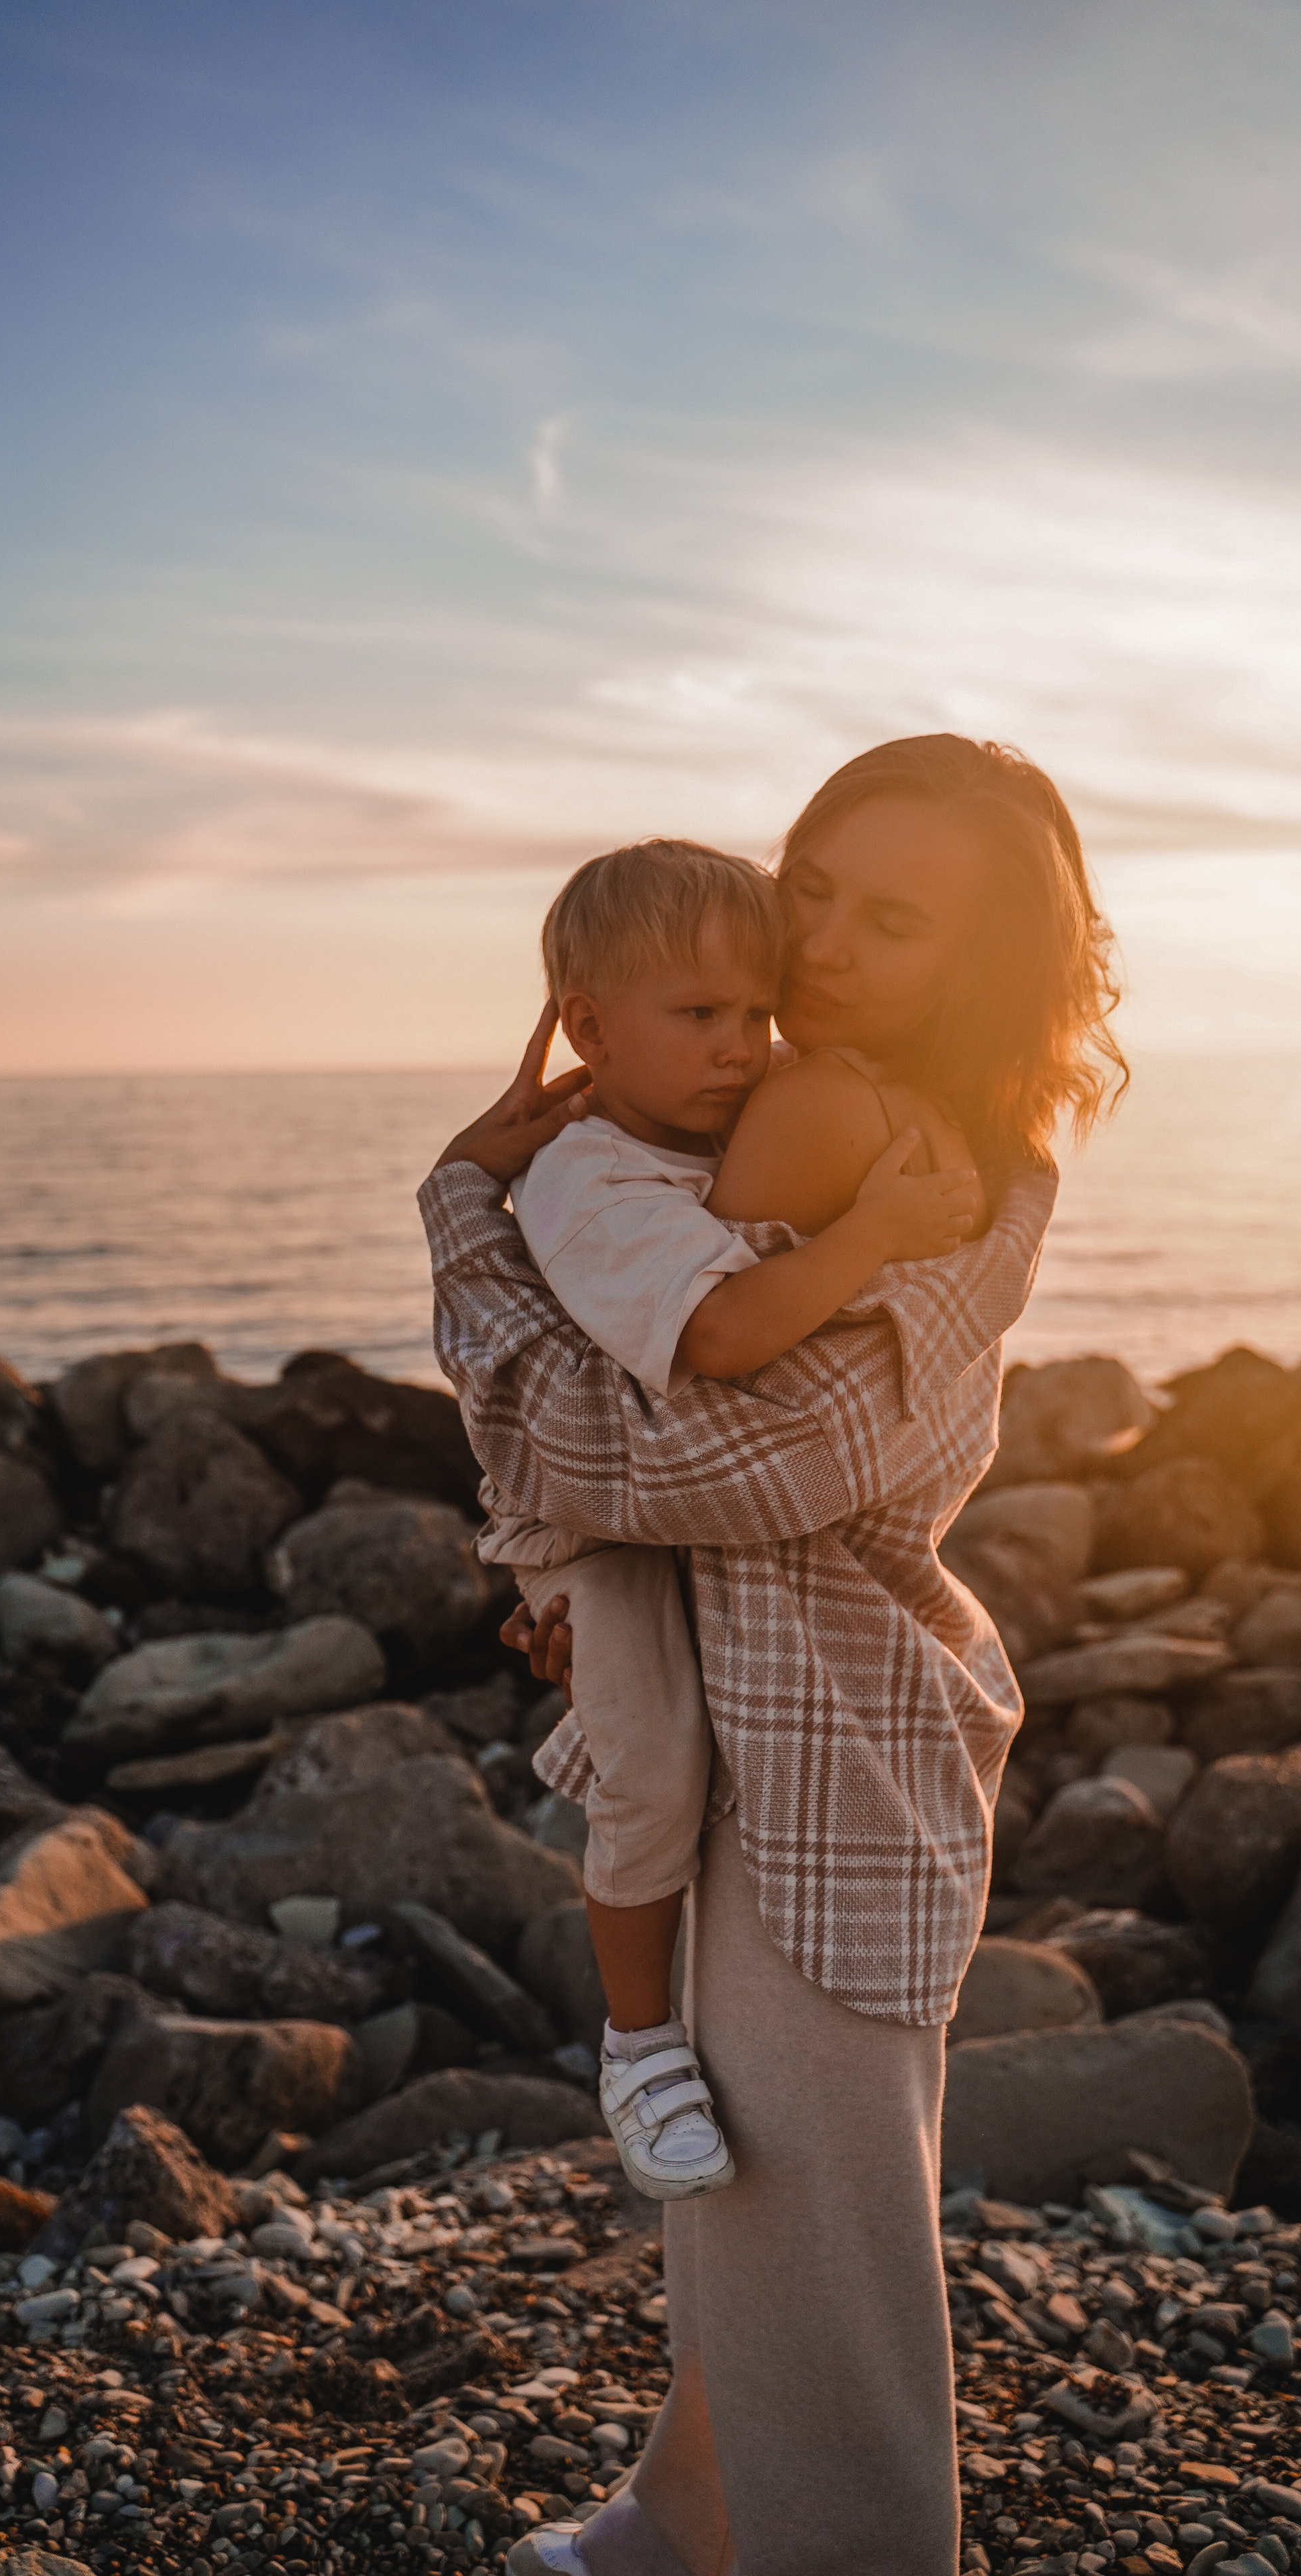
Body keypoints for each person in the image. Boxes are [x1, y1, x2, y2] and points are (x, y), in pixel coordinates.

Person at [421, 735, 1124, 2576]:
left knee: (827, 2242)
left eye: (892, 923)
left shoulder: (938, 1169)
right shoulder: (779, 1102)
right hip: (755, 1721)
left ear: (982, 970)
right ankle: (683, 2527)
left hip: (841, 1757)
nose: (821, 940)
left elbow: (667, 1455)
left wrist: (463, 1222)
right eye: (815, 881)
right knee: (763, 2207)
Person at [480, 835, 981, 2200]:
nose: (740, 1048)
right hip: (592, 1525)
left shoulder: (692, 1141)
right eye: (697, 1018)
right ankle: (638, 2044)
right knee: (651, 1759)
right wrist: (871, 1232)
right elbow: (729, 1336)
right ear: (585, 1029)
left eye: (752, 1016)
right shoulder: (596, 1181)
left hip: (651, 1495)